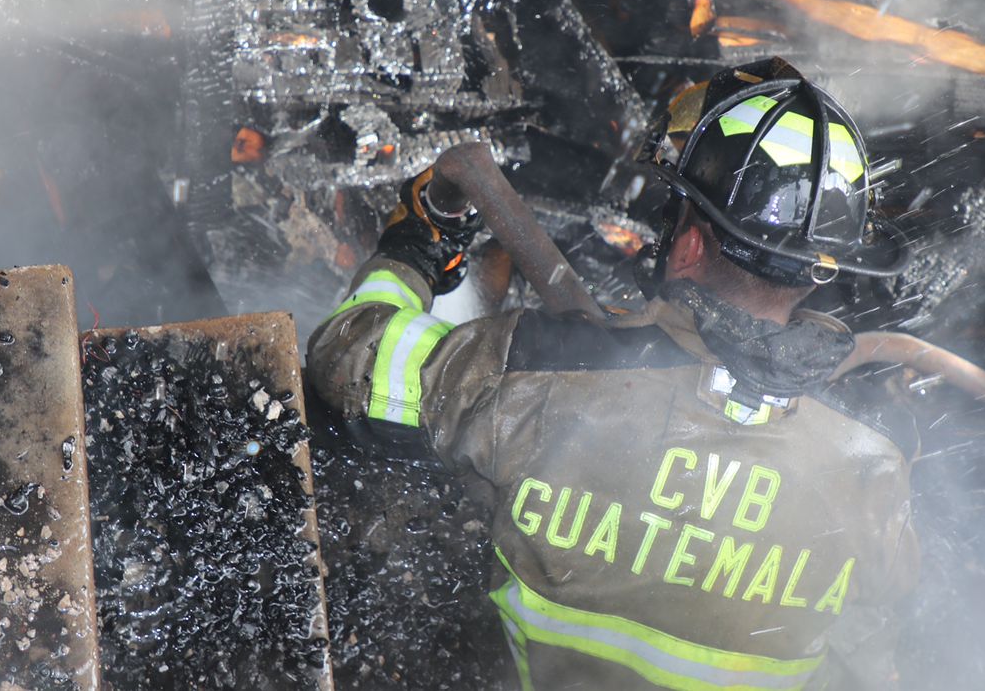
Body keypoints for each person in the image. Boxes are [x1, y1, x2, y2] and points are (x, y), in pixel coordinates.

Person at [307, 58, 920, 690]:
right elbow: (875, 633)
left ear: (688, 245)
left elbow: (350, 353)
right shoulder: (871, 471)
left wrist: (414, 248)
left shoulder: (538, 374)